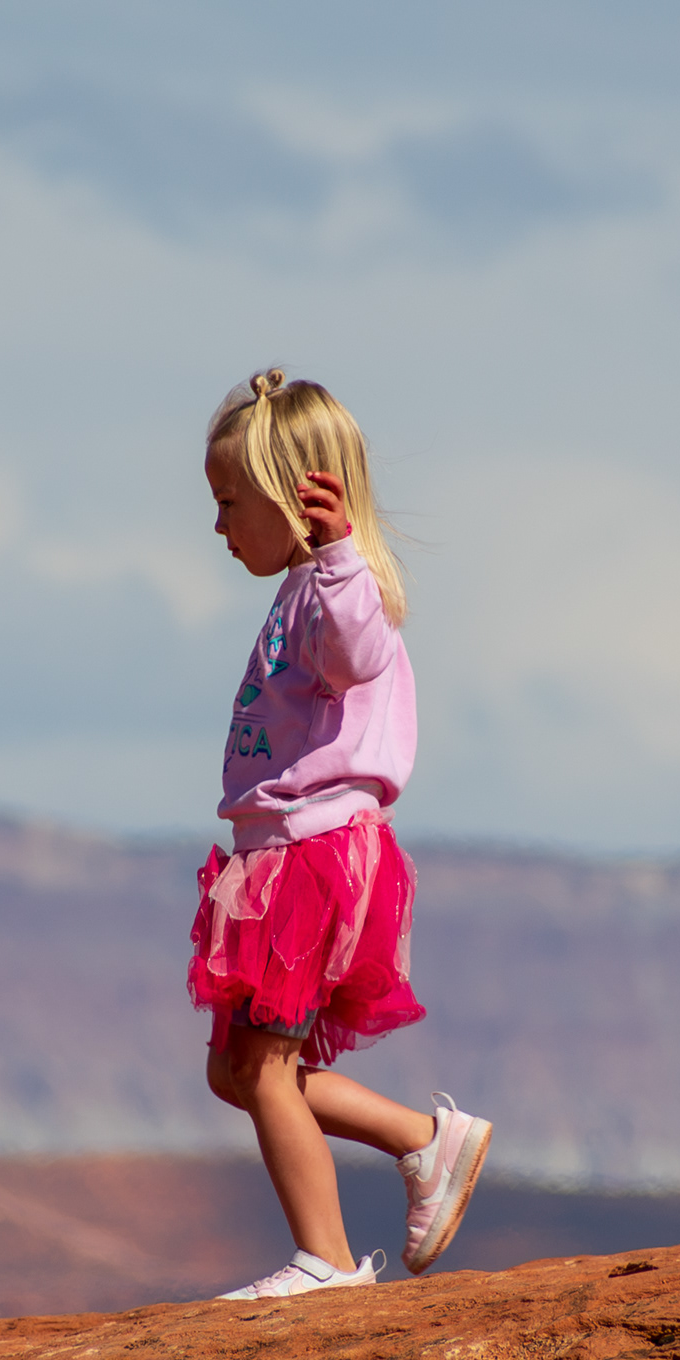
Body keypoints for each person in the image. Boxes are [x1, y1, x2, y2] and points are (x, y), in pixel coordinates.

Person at [188, 369, 493, 1301]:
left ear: (294, 500)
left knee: (267, 1070)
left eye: (231, 502)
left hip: (312, 859)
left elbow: (360, 651)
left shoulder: (334, 593)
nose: (219, 526)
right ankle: (422, 1141)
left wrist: (337, 555)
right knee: (238, 1072)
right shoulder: (301, 594)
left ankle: (322, 1262)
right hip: (279, 856)